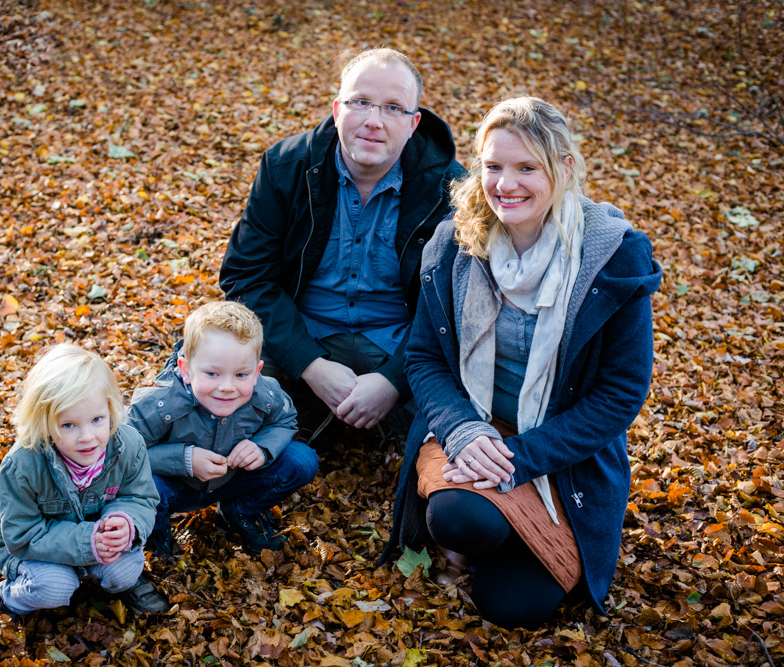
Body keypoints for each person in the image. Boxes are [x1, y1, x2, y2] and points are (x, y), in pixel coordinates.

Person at [384, 97, 662, 629]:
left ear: (564, 169)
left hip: (561, 452)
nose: (505, 184)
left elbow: (620, 394)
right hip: (472, 426)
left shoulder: (614, 257)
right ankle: (487, 524)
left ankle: (523, 527)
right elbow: (423, 357)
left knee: (514, 608)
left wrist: (520, 457)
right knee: (460, 519)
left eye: (526, 167)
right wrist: (464, 433)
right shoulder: (455, 243)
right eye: (493, 166)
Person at [220, 48, 466, 442]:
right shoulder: (286, 167)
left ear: (413, 123)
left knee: (463, 423)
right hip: (297, 336)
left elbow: (457, 306)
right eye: (361, 103)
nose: (373, 121)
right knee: (209, 373)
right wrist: (310, 365)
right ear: (337, 110)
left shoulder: (451, 192)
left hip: (401, 349)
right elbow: (247, 277)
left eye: (392, 108)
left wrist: (392, 381)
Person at [0, 343, 168, 619]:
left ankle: (98, 581)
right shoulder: (23, 464)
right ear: (45, 422)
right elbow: (22, 535)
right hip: (33, 552)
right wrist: (88, 542)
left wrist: (125, 523)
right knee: (55, 588)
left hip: (95, 539)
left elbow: (140, 497)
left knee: (127, 570)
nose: (87, 437)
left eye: (97, 419)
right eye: (69, 425)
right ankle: (14, 597)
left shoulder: (128, 445)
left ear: (110, 410)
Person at [127, 301, 318, 558]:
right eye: (212, 374)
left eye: (241, 375)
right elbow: (125, 453)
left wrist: (262, 447)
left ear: (256, 372)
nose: (227, 387)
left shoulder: (266, 393)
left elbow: (285, 420)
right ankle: (155, 541)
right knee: (145, 484)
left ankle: (239, 511)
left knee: (301, 460)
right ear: (186, 370)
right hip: (175, 489)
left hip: (232, 480)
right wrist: (184, 459)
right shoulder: (160, 404)